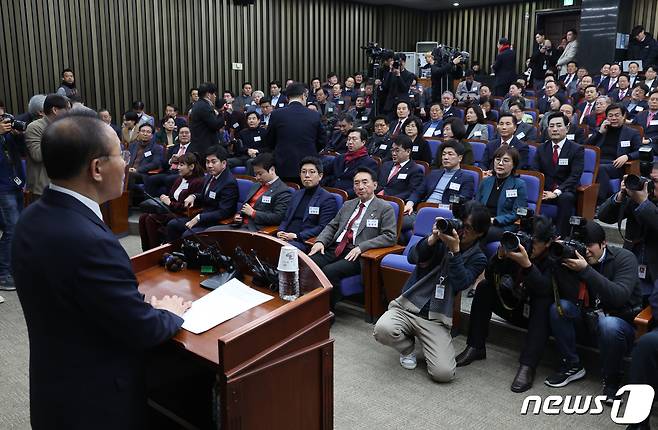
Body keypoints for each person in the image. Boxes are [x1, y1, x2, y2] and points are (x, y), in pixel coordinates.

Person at [13, 112, 191, 429]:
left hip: (53, 387)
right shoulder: (92, 241)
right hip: (97, 402)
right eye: (120, 155)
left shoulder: (30, 218)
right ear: (97, 168)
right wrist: (167, 312)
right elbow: (140, 328)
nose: (125, 164)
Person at [458, 216, 580, 392]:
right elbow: (492, 277)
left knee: (543, 301)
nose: (528, 246)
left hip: (540, 319)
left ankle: (528, 365)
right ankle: (475, 346)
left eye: (534, 242)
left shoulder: (556, 255)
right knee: (485, 287)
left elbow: (546, 289)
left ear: (548, 242)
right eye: (527, 239)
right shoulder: (516, 246)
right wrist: (499, 258)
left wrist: (527, 265)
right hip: (514, 307)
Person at [373, 201, 490, 382]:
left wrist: (455, 251)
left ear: (480, 233)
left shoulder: (478, 258)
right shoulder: (441, 238)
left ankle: (426, 341)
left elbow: (461, 283)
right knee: (382, 330)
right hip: (407, 307)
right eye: (460, 223)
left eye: (467, 228)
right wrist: (431, 239)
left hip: (436, 318)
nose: (461, 230)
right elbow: (412, 257)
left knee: (444, 374)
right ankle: (408, 348)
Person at [544, 223, 642, 405]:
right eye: (581, 245)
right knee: (560, 308)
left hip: (621, 324)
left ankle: (612, 381)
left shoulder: (624, 258)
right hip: (588, 319)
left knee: (609, 325)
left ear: (603, 243)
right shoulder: (573, 260)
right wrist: (559, 261)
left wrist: (585, 270)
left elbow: (619, 296)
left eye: (589, 245)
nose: (585, 251)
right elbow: (568, 295)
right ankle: (573, 365)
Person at [309, 167, 397, 308]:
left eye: (364, 182)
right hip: (335, 248)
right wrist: (320, 241)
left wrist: (362, 247)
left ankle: (326, 312)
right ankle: (307, 305)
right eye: (356, 183)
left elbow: (390, 236)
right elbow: (332, 226)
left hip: (357, 254)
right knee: (309, 263)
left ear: (374, 185)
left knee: (329, 272)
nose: (360, 187)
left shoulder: (384, 208)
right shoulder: (348, 204)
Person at [598, 165, 658, 300]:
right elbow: (603, 216)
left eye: (656, 181)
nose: (650, 185)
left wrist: (643, 203)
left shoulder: (642, 202)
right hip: (631, 265)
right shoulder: (638, 200)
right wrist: (620, 196)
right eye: (649, 180)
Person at [166, 145, 238, 241]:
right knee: (173, 224)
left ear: (223, 163)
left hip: (215, 222)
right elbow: (206, 196)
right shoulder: (210, 175)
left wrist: (199, 217)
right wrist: (194, 196)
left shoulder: (229, 183)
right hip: (203, 217)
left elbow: (224, 212)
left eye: (213, 162)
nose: (209, 165)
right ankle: (174, 254)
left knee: (188, 235)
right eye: (207, 162)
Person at [208, 153, 291, 232]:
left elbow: (278, 218)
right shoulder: (256, 185)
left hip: (256, 230)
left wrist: (253, 213)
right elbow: (246, 206)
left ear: (272, 170)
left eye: (260, 174)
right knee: (209, 232)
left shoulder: (283, 190)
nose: (257, 177)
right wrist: (238, 215)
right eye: (255, 174)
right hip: (240, 225)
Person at [532, 112, 585, 237]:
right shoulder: (541, 149)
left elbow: (575, 176)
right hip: (545, 190)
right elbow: (535, 172)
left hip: (565, 189)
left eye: (558, 125)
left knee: (565, 198)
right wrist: (542, 191)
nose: (554, 129)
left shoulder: (576, 149)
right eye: (551, 126)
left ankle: (560, 236)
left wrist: (556, 192)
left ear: (567, 128)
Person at [138, 153, 205, 251]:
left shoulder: (198, 182)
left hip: (183, 214)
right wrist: (166, 198)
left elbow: (186, 206)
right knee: (143, 217)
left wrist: (169, 203)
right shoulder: (179, 179)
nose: (178, 168)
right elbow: (172, 196)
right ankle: (146, 251)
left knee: (150, 219)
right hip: (171, 210)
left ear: (191, 166)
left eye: (181, 165)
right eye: (178, 164)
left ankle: (155, 252)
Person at [404, 140, 475, 230]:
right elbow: (418, 191)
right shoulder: (434, 173)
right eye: (443, 154)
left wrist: (450, 198)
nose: (445, 157)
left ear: (460, 158)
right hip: (424, 210)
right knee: (397, 222)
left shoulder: (466, 177)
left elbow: (465, 200)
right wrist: (410, 203)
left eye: (450, 154)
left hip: (445, 214)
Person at [265, 82, 325, 184]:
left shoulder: (276, 114)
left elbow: (269, 140)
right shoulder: (314, 115)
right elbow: (322, 140)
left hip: (283, 164)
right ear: (303, 96)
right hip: (308, 167)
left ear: (287, 98)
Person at [277, 157, 338, 252]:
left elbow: (323, 227)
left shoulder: (327, 199)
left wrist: (297, 236)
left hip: (304, 241)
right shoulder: (296, 194)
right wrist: (280, 231)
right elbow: (286, 218)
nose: (307, 175)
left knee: (281, 250)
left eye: (312, 172)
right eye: (303, 172)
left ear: (320, 176)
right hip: (285, 237)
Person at [585, 104, 642, 202]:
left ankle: (600, 202)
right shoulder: (602, 130)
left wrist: (627, 156)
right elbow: (587, 146)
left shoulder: (632, 133)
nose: (613, 118)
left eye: (617, 115)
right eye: (610, 116)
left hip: (617, 164)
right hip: (597, 162)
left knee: (600, 169)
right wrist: (600, 132)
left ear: (624, 116)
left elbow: (640, 151)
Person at [476, 146, 528, 242]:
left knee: (483, 233)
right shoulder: (485, 182)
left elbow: (517, 213)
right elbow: (476, 204)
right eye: (498, 159)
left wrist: (494, 220)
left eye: (506, 160)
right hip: (481, 222)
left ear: (513, 165)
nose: (500, 163)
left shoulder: (519, 184)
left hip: (503, 226)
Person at [25, 94, 71, 200]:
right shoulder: (35, 127)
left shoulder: (65, 126)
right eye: (67, 109)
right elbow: (37, 155)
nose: (70, 113)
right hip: (42, 188)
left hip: (63, 185)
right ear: (55, 110)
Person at [0, 117, 25, 291]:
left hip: (15, 184)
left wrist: (18, 136)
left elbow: (21, 154)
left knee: (17, 228)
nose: (3, 120)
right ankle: (3, 275)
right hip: (2, 188)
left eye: (3, 116)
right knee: (11, 229)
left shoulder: (8, 135)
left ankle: (12, 268)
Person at [323, 128, 378, 198]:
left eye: (354, 139)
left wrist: (344, 194)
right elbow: (325, 172)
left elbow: (365, 186)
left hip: (350, 197)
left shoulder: (369, 163)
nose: (350, 142)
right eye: (349, 139)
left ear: (363, 142)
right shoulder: (340, 157)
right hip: (330, 192)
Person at [144, 125, 193, 200]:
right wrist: (171, 161)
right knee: (151, 179)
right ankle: (149, 203)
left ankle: (168, 204)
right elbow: (163, 165)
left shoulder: (195, 148)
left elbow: (195, 163)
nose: (184, 135)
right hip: (169, 172)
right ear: (178, 135)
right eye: (181, 133)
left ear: (190, 135)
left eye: (186, 133)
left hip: (183, 174)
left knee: (169, 179)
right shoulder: (173, 148)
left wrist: (181, 160)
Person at [375, 135, 424, 201]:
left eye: (397, 150)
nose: (393, 153)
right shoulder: (385, 165)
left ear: (408, 152)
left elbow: (411, 192)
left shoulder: (415, 170)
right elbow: (376, 182)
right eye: (392, 150)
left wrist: (388, 198)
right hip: (375, 198)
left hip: (394, 202)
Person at [188, 82, 225, 155]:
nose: (215, 96)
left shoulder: (198, 104)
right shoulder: (205, 107)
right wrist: (221, 113)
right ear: (208, 95)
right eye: (214, 94)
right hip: (205, 147)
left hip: (199, 145)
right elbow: (215, 125)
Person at [126, 124, 163, 191]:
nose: (145, 134)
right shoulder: (132, 145)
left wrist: (137, 170)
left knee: (130, 175)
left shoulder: (157, 148)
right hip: (129, 171)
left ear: (152, 135)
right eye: (143, 131)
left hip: (144, 175)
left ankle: (127, 200)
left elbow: (155, 163)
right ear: (138, 133)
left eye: (148, 132)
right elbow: (125, 159)